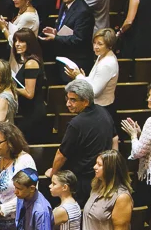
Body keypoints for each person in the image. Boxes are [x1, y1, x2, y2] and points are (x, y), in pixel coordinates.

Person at [45, 79, 117, 209]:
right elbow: (115, 138)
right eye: (67, 99)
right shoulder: (104, 112)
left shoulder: (76, 124)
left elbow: (61, 154)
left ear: (85, 101)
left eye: (73, 100)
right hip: (102, 177)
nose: (68, 104)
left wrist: (53, 173)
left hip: (81, 182)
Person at [40, 0, 95, 84]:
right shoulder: (66, 3)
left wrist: (55, 38)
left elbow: (78, 39)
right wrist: (55, 31)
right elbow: (66, 26)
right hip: (63, 56)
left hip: (76, 61)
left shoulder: (83, 12)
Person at [65, 28, 119, 116]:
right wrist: (83, 77)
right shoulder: (102, 55)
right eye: (94, 43)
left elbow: (94, 92)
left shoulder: (107, 63)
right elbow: (94, 81)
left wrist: (79, 77)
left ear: (109, 45)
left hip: (102, 108)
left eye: (100, 44)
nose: (95, 47)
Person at [10, 28, 47, 143]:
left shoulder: (31, 63)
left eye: (21, 41)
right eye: (16, 41)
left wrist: (11, 87)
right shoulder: (28, 61)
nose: (17, 44)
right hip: (29, 111)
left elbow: (29, 93)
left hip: (34, 113)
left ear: (29, 43)